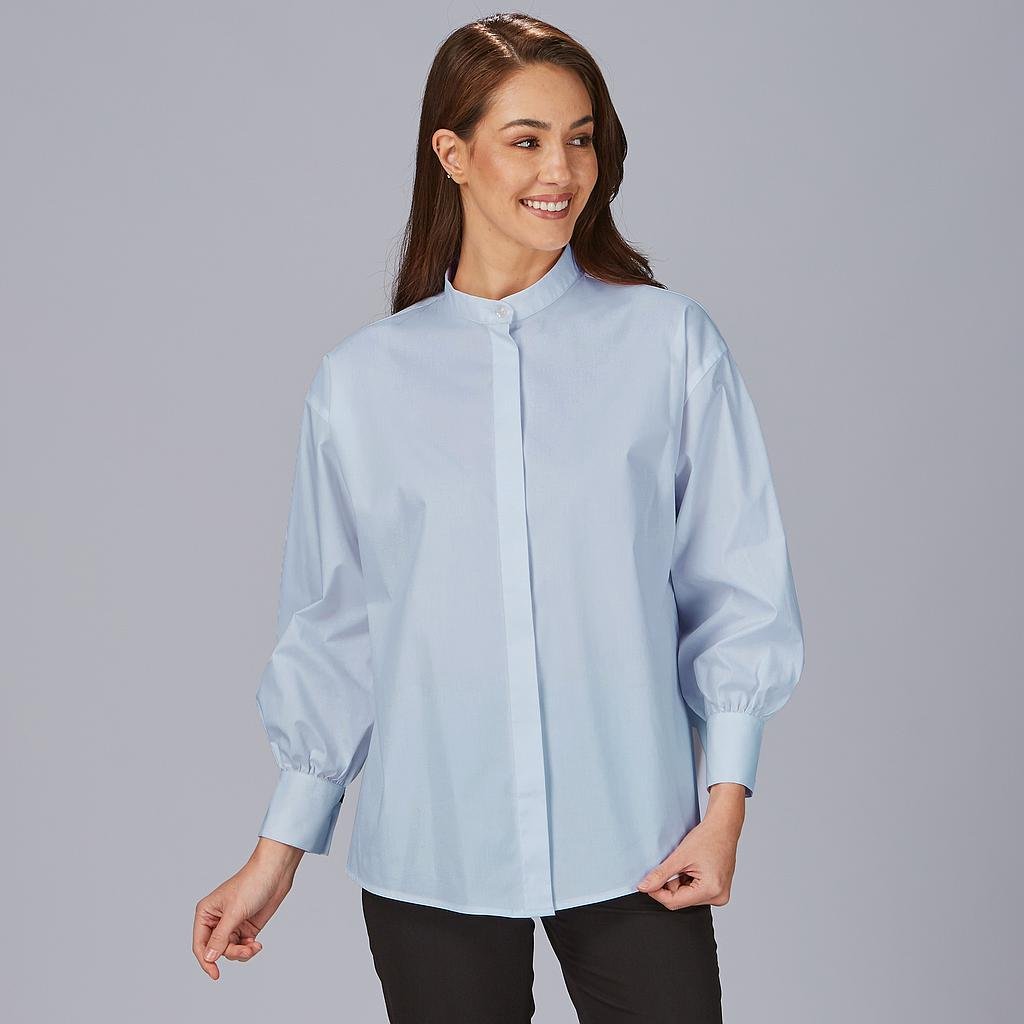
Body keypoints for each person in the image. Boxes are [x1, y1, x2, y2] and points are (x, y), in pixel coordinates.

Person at [192, 12, 805, 1022]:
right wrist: (277, 851)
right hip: (433, 851)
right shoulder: (361, 384)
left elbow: (735, 585)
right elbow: (336, 632)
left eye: (580, 138)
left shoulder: (668, 344)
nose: (561, 170)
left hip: (639, 841)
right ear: (453, 154)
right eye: (526, 140)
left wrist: (724, 806)